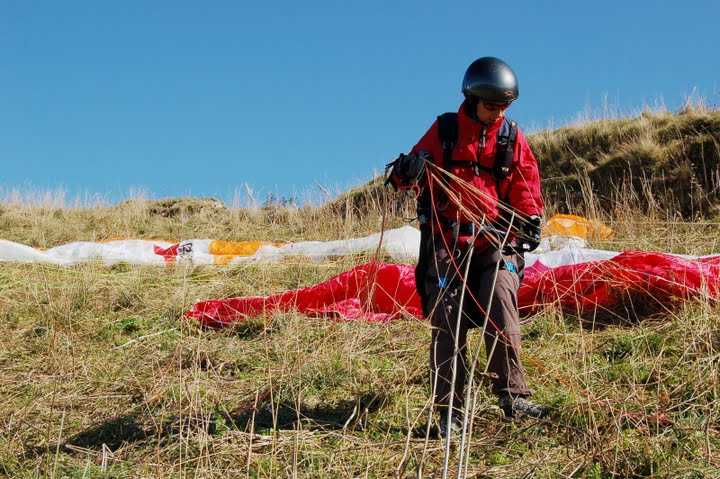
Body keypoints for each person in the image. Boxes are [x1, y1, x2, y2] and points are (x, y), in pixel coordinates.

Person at [386, 57, 547, 437]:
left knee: (501, 299)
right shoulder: (445, 130)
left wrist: (530, 221)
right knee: (449, 316)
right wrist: (408, 171)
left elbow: (526, 187)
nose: (498, 113)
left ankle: (513, 396)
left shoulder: (511, 138)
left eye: (505, 106)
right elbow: (401, 178)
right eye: (492, 105)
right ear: (472, 98)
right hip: (449, 240)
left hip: (496, 239)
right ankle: (449, 413)